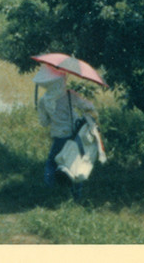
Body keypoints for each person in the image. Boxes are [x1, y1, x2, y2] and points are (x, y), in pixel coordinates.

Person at [34, 64, 97, 201]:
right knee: (75, 163)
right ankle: (76, 196)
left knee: (52, 163)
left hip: (59, 137)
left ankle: (50, 191)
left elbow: (44, 123)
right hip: (74, 135)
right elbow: (88, 106)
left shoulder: (44, 100)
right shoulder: (69, 94)